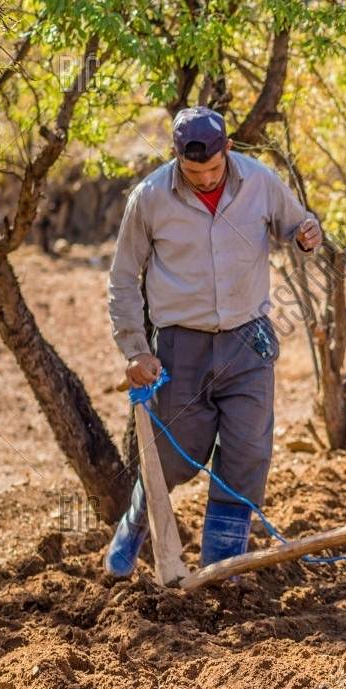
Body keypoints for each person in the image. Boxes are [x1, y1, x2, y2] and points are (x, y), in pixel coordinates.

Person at [103, 106, 323, 577]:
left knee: (248, 453)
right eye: (193, 170)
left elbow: (297, 225)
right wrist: (136, 349)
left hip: (249, 341)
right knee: (175, 456)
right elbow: (123, 278)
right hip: (181, 346)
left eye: (214, 168)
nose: (205, 179)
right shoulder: (149, 198)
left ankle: (220, 567)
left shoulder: (260, 181)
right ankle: (137, 521)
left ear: (229, 150)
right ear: (177, 159)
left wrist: (308, 233)